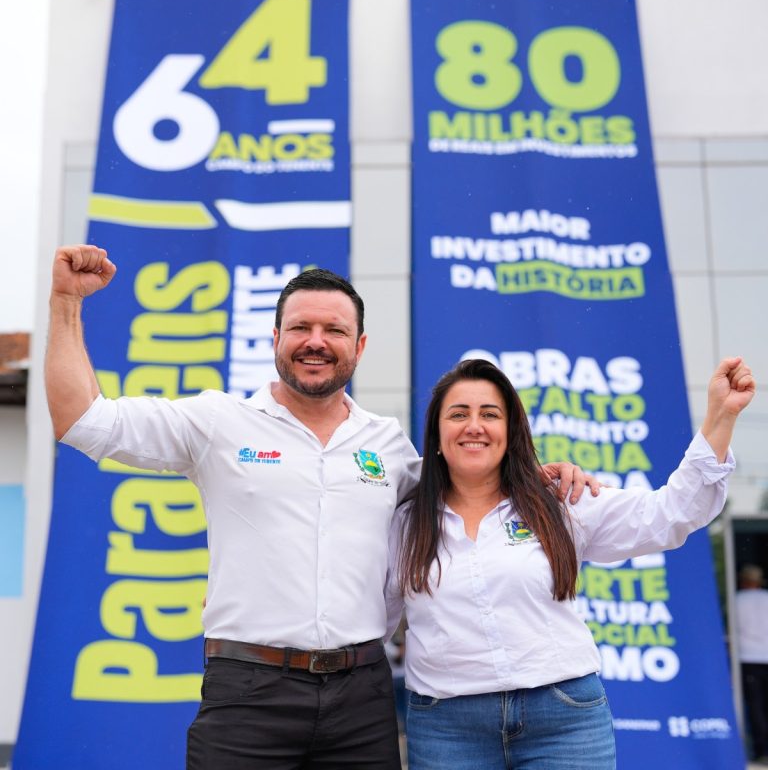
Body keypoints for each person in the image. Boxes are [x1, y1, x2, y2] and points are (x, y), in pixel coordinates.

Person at [45, 244, 597, 770]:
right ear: (276, 338)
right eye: (301, 328)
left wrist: (539, 474)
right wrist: (66, 301)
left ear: (359, 346)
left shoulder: (387, 443)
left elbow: (466, 484)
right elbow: (82, 421)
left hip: (361, 694)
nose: (316, 342)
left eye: (334, 330)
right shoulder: (217, 422)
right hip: (248, 690)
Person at [385, 355, 755, 770]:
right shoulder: (403, 523)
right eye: (458, 414)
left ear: (511, 431)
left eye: (490, 414)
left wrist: (721, 417)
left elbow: (669, 515)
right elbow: (371, 618)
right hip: (447, 729)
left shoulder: (560, 503)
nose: (474, 426)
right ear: (436, 434)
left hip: (562, 720)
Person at [735, 563, 768, 764]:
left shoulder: (737, 600)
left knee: (756, 707)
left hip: (749, 658)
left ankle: (762, 750)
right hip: (760, 656)